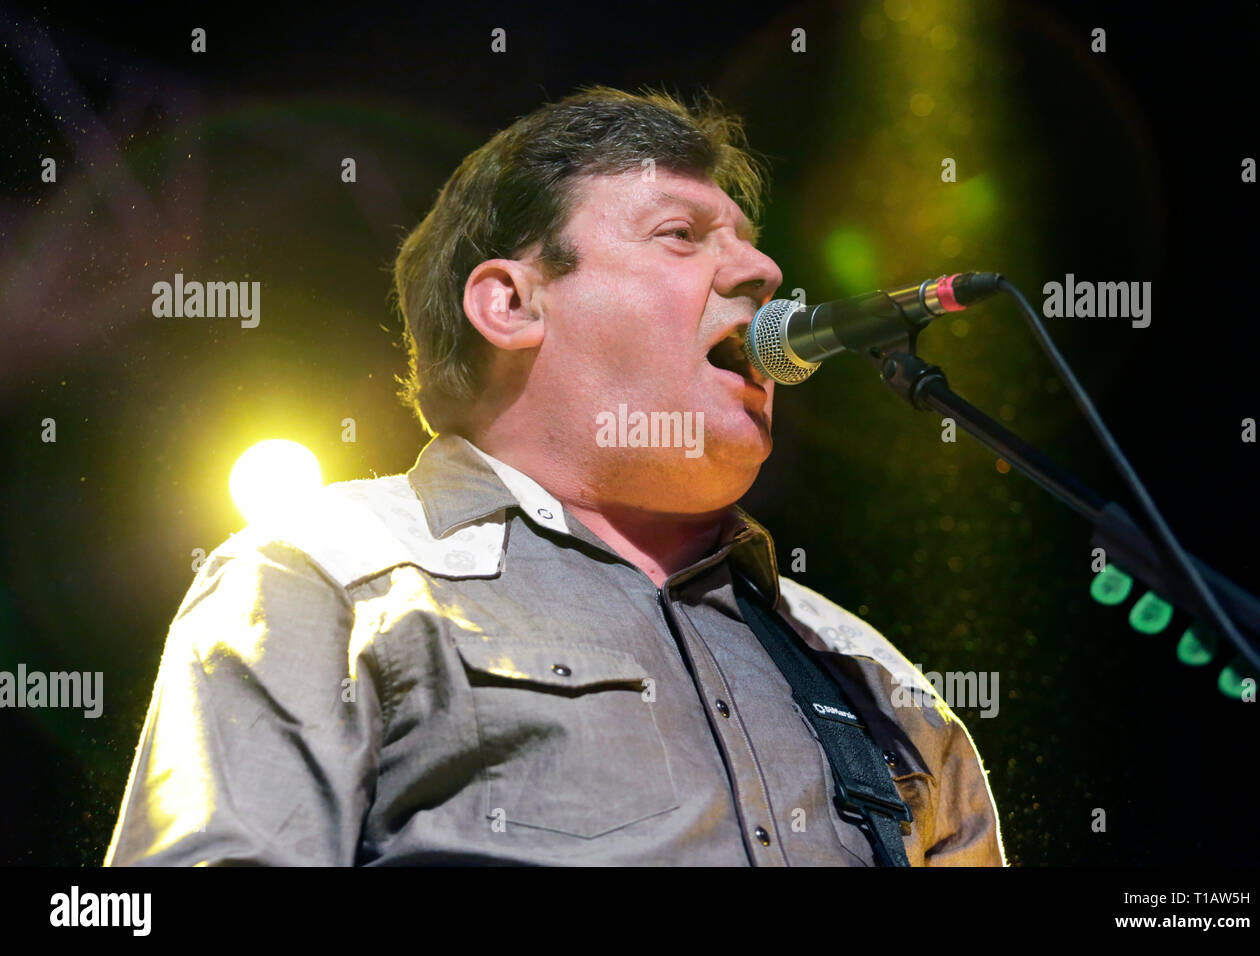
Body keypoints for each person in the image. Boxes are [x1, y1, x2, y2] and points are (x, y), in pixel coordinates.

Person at [104, 85, 1005, 866]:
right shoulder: (325, 577)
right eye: (682, 235)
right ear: (511, 303)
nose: (764, 272)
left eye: (748, 241)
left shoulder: (871, 677)